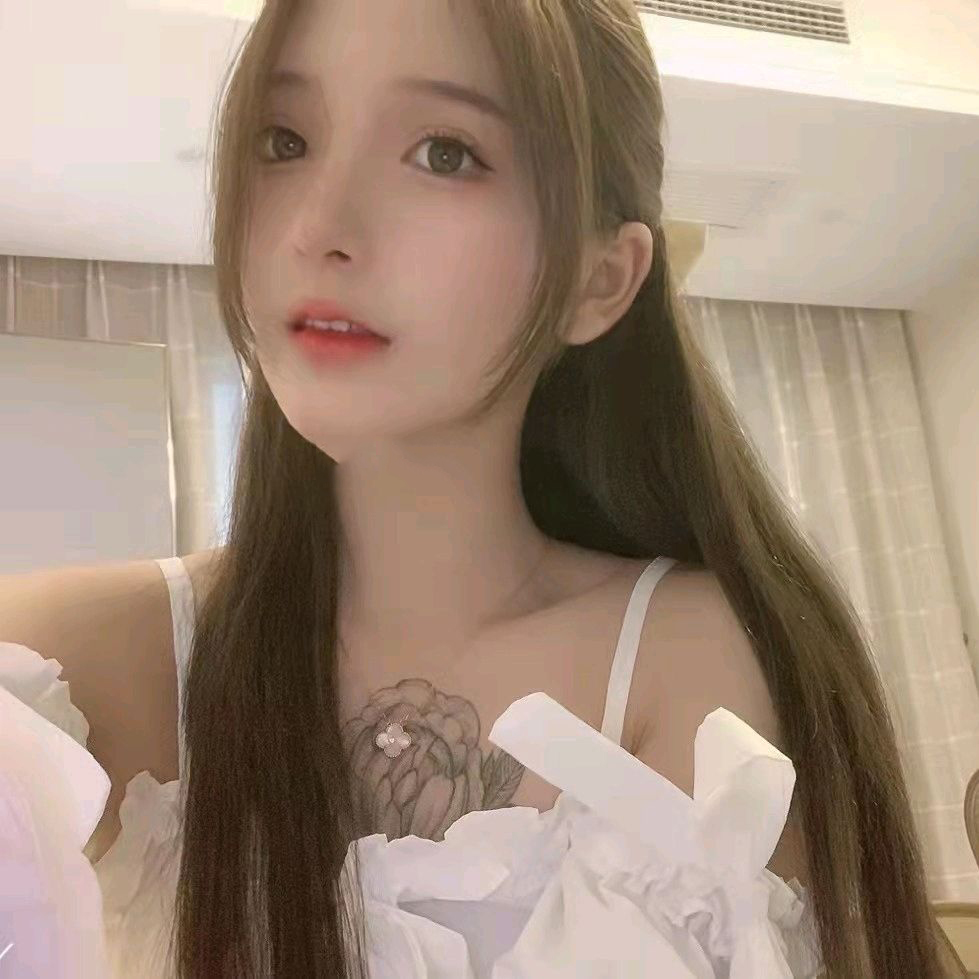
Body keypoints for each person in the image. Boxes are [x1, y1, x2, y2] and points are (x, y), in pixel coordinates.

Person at [0, 0, 947, 976]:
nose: (318, 228)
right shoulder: (64, 664)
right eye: (284, 141)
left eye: (444, 154)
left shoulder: (695, 661)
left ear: (598, 281)